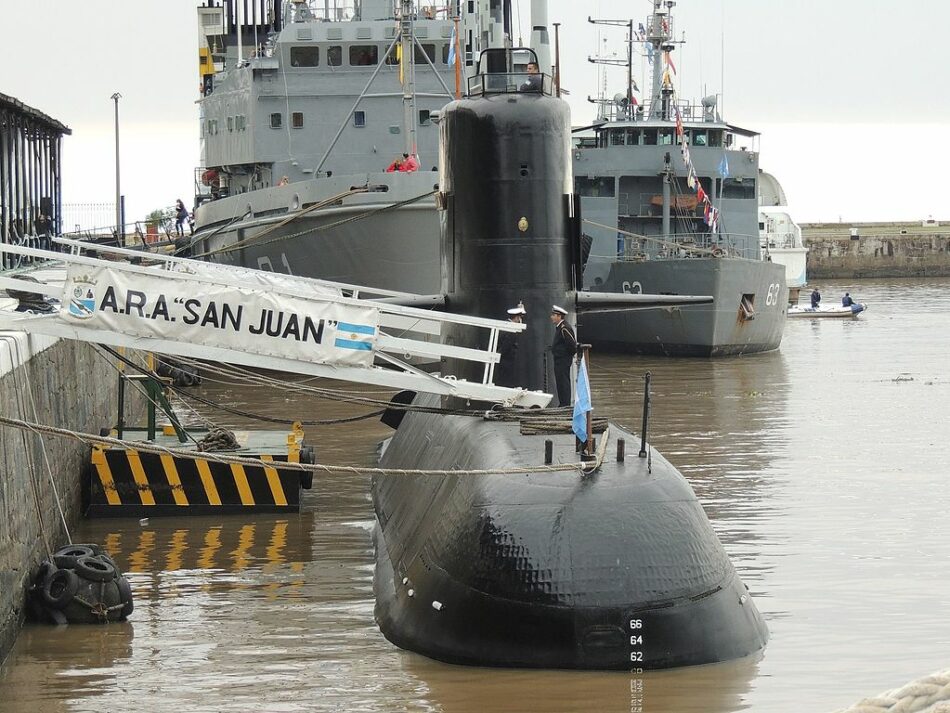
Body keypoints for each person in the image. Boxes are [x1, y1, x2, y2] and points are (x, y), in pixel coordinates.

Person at [550, 305, 577, 407]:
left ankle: (565, 404)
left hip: (563, 360)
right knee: (560, 382)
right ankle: (563, 403)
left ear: (559, 316)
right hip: (559, 360)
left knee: (563, 382)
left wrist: (566, 356)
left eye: (553, 315)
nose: (551, 317)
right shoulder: (560, 328)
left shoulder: (564, 328)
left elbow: (572, 345)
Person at [494, 303, 526, 388]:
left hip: (504, 360)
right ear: (516, 317)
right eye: (520, 317)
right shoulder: (511, 330)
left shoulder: (506, 325)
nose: (520, 320)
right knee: (505, 382)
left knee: (504, 380)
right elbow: (506, 346)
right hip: (506, 360)